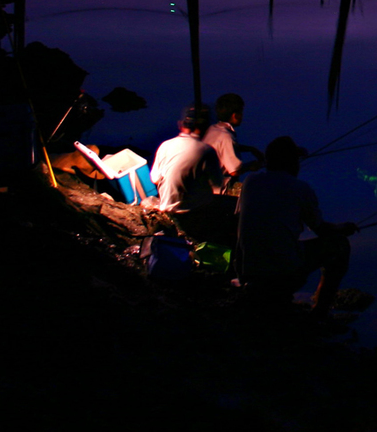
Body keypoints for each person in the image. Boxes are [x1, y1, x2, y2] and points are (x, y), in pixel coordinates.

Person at [236, 135, 357, 315]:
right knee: (339, 245)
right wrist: (342, 229)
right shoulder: (300, 188)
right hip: (281, 274)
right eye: (296, 159)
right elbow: (320, 229)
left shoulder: (250, 182)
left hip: (246, 272)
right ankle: (320, 310)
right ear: (291, 162)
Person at [149, 104, 232, 243]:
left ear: (181, 125)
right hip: (193, 213)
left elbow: (154, 179)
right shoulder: (206, 150)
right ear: (204, 128)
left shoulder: (165, 145)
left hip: (167, 208)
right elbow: (217, 184)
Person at [203, 93, 245, 177]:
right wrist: (251, 166)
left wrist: (250, 149)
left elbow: (222, 148)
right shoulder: (226, 136)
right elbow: (234, 171)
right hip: (218, 189)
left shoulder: (212, 130)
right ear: (235, 115)